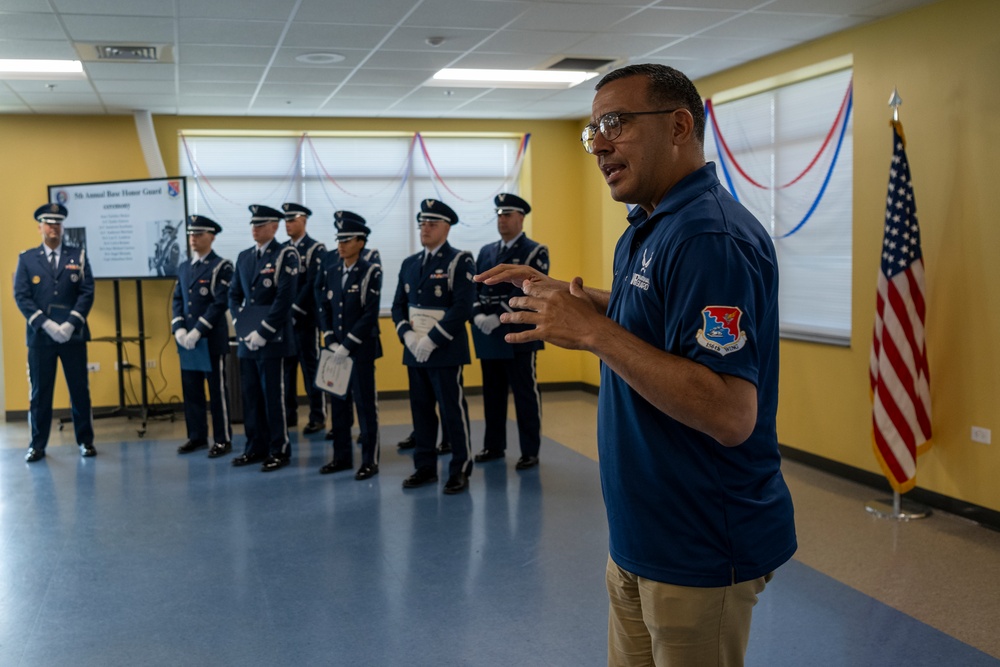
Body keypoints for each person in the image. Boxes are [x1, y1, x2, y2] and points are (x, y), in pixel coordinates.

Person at [476, 64, 796, 666]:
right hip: (640, 535)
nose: (598, 143)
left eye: (615, 124)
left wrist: (593, 333)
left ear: (679, 125)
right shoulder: (650, 225)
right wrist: (574, 300)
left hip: (698, 543)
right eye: (593, 129)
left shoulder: (709, 238)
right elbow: (652, 317)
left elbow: (730, 413)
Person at [391, 199, 476, 495]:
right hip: (415, 352)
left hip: (444, 351)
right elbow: (397, 306)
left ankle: (460, 467)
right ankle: (424, 466)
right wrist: (409, 337)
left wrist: (432, 339)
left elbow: (463, 307)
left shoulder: (459, 261)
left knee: (452, 411)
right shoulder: (410, 263)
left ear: (446, 227)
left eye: (432, 223)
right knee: (421, 411)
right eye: (422, 223)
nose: (425, 228)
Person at [471, 193, 549, 470]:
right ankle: (493, 445)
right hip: (490, 335)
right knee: (492, 393)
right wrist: (479, 312)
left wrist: (497, 315)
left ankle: (530, 450)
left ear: (520, 218)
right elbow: (477, 287)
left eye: (507, 215)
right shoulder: (486, 251)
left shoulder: (534, 251)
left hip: (520, 333)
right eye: (499, 215)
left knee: (525, 393)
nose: (502, 220)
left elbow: (531, 287)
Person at [15, 203, 96, 462]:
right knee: (40, 394)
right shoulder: (27, 259)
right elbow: (22, 296)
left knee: (79, 391)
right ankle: (37, 445)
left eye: (57, 223)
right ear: (40, 227)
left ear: (62, 227)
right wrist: (47, 324)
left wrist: (71, 322)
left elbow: (87, 291)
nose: (53, 228)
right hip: (41, 338)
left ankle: (86, 441)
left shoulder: (78, 256)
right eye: (48, 223)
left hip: (73, 335)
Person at [228, 204, 299, 472]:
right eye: (253, 224)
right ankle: (254, 447)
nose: (255, 228)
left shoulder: (285, 255)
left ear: (275, 226)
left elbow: (284, 299)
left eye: (261, 224)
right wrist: (240, 323)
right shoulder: (244, 257)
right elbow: (234, 295)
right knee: (251, 396)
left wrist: (264, 331)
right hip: (248, 341)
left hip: (274, 340)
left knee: (273, 397)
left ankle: (278, 449)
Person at [315, 211, 382, 480]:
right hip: (335, 351)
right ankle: (341, 457)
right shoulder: (331, 271)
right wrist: (330, 338)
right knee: (338, 406)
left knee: (365, 407)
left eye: (347, 239)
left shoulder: (370, 272)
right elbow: (324, 307)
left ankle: (369, 460)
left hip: (360, 352)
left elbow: (369, 313)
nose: (341, 244)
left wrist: (347, 345)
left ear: (361, 242)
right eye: (338, 239)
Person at [171, 214, 234, 458]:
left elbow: (219, 302)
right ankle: (196, 436)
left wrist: (198, 329)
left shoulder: (221, 266)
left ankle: (222, 438)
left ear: (212, 236)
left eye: (199, 234)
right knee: (191, 390)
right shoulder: (185, 267)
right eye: (191, 234)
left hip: (209, 339)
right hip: (188, 341)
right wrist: (179, 328)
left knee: (217, 392)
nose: (193, 239)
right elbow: (178, 299)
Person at [281, 202, 327, 434]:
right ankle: (289, 415)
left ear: (304, 220)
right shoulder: (282, 250)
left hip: (306, 321)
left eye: (292, 220)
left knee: (311, 371)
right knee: (287, 372)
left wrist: (294, 311)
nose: (288, 224)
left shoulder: (315, 249)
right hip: (284, 325)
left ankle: (317, 415)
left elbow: (313, 284)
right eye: (286, 221)